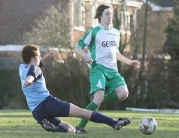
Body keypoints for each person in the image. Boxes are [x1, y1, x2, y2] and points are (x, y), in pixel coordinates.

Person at [19, 45, 131, 134]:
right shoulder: (34, 69)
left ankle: (53, 128)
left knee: (71, 129)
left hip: (37, 112)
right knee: (83, 112)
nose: (40, 58)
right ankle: (114, 122)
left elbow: (37, 65)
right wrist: (29, 80)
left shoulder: (22, 67)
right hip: (48, 103)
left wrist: (48, 56)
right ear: (33, 58)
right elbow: (32, 73)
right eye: (39, 56)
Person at [75, 4, 140, 134]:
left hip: (113, 70)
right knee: (98, 99)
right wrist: (86, 56)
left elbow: (116, 53)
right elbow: (78, 47)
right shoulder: (94, 32)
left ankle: (95, 101)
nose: (110, 16)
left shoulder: (116, 32)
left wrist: (129, 62)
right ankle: (80, 127)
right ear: (100, 16)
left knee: (123, 93)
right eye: (107, 14)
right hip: (98, 68)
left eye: (111, 13)